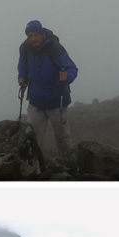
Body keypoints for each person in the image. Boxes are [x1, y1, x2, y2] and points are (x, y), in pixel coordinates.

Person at [17, 19, 79, 168]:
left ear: (42, 34)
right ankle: (35, 168)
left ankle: (68, 167)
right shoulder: (25, 48)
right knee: (33, 137)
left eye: (35, 35)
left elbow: (72, 68)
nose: (32, 39)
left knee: (62, 137)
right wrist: (22, 76)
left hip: (57, 99)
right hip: (36, 100)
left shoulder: (54, 48)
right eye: (30, 35)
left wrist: (67, 76)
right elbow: (22, 65)